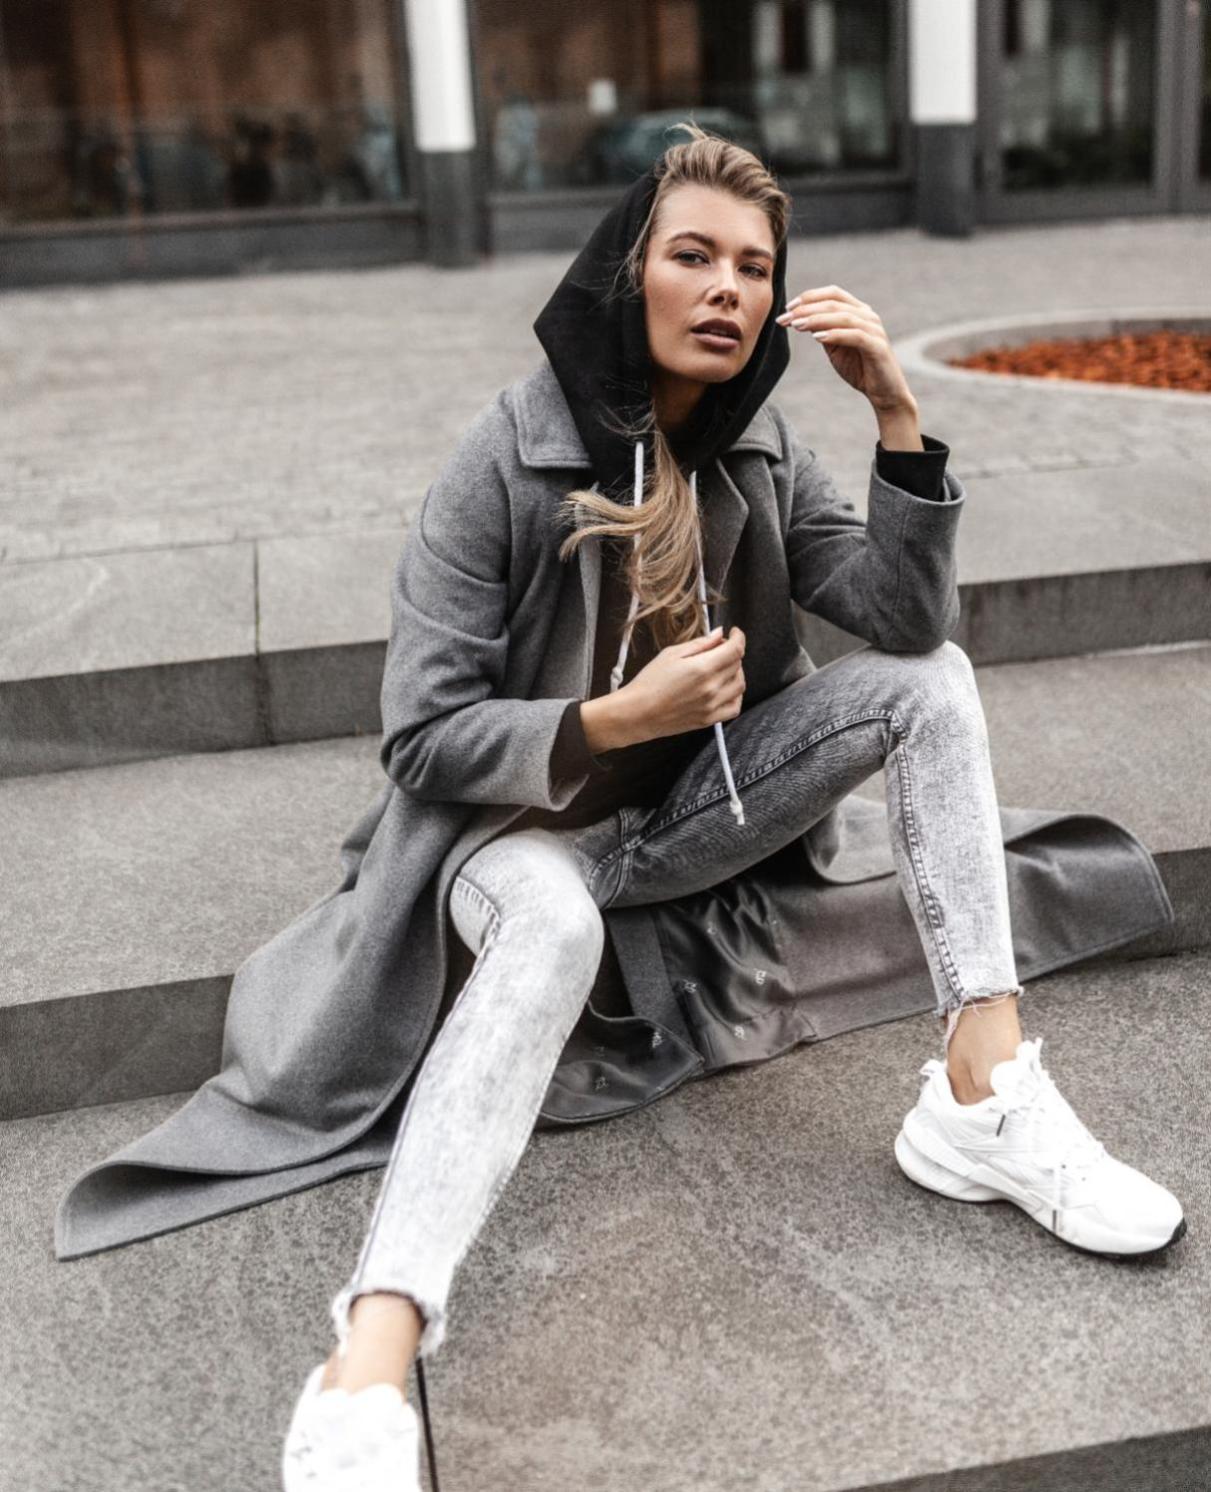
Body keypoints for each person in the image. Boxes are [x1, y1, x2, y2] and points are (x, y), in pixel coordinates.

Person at [279, 122, 1185, 1491]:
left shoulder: (755, 447)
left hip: (695, 818)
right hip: (516, 842)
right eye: (693, 257)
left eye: (754, 268)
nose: (727, 290)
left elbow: (900, 620)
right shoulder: (501, 461)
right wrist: (614, 720)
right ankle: (371, 1358)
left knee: (933, 682)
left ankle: (982, 1097)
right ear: (626, 274)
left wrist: (896, 418)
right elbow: (419, 736)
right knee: (556, 927)